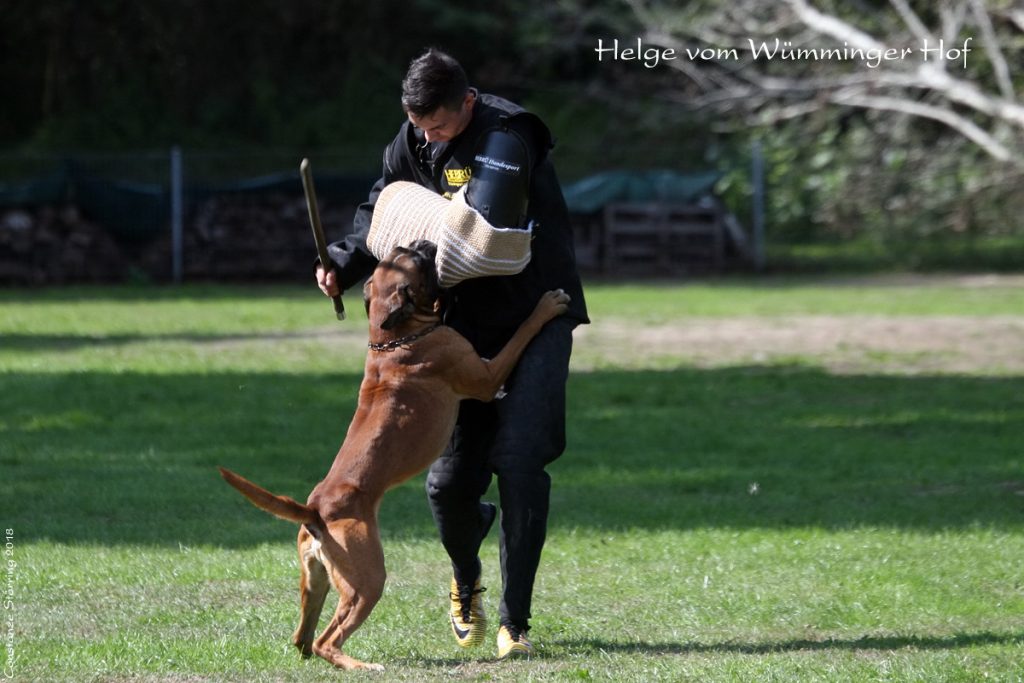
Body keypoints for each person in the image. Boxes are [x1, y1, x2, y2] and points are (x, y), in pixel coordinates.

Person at [315, 48, 588, 660]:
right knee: (448, 486)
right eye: (419, 128)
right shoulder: (415, 135)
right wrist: (342, 259)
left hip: (533, 311)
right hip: (455, 325)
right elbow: (384, 201)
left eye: (438, 126)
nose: (427, 139)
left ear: (466, 102)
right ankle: (466, 580)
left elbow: (486, 227)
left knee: (519, 462)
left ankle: (515, 621)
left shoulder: (507, 136)